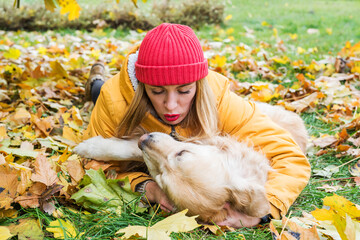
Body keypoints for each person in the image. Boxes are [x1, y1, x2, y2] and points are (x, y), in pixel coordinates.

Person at [82, 23, 310, 228]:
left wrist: (265, 212)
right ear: (142, 86)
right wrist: (147, 187)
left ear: (198, 85)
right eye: (157, 91)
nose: (171, 106)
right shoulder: (114, 101)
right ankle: (95, 82)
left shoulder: (221, 100)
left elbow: (291, 158)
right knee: (98, 92)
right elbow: (90, 165)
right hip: (113, 97)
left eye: (184, 91)